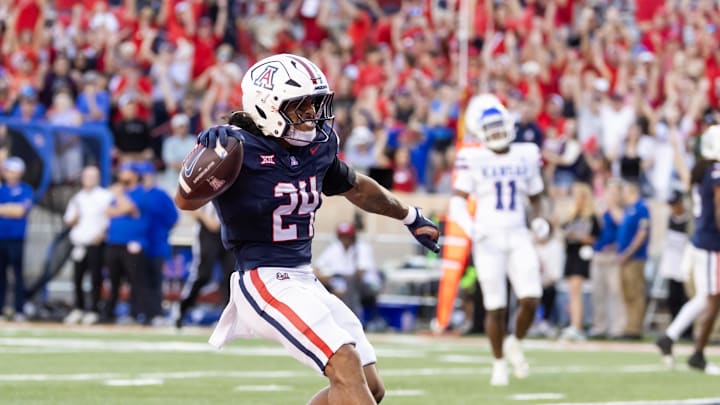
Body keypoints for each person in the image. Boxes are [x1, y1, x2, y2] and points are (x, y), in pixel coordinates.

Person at [173, 54, 440, 405]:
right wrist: (205, 156)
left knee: (370, 386)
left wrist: (409, 216)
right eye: (300, 107)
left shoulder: (317, 147)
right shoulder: (237, 149)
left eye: (315, 104)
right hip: (263, 278)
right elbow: (185, 200)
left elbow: (357, 186)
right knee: (343, 364)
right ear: (268, 108)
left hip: (304, 279)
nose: (312, 116)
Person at [447, 94, 545, 386]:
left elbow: (537, 196)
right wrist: (470, 227)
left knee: (531, 297)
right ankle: (499, 362)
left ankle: (516, 341)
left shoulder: (525, 153)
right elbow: (457, 203)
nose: (498, 133)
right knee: (495, 305)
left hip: (518, 233)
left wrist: (540, 219)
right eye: (491, 129)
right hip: (487, 236)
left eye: (500, 127)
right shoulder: (472, 157)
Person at [657, 126, 720, 374]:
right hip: (711, 243)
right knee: (712, 300)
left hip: (701, 241)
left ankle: (670, 337)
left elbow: (686, 176)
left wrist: (675, 146)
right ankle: (697, 354)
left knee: (707, 298)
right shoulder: (714, 170)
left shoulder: (702, 170)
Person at [63, 166, 114, 325]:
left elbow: (111, 217)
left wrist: (103, 234)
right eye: (87, 176)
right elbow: (69, 220)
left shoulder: (105, 196)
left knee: (95, 278)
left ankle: (94, 310)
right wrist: (74, 219)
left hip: (96, 243)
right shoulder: (78, 197)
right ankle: (78, 308)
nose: (89, 179)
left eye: (92, 176)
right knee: (77, 278)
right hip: (79, 242)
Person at [176, 202, 235, 329]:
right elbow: (186, 203)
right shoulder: (204, 182)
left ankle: (229, 318)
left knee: (231, 275)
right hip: (207, 231)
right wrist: (206, 218)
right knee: (202, 274)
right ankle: (182, 310)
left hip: (229, 229)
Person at [103, 162, 150, 323]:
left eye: (126, 172)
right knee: (113, 281)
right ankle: (108, 314)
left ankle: (137, 313)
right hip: (114, 242)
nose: (122, 175)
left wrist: (119, 197)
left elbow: (128, 208)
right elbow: (108, 211)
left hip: (133, 244)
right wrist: (121, 205)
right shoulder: (120, 193)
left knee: (135, 281)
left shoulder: (141, 192)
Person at [314, 222, 382, 324]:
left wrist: (337, 280)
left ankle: (353, 319)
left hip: (367, 285)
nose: (345, 239)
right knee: (317, 281)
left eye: (347, 237)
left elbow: (360, 273)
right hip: (340, 282)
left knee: (349, 282)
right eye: (342, 236)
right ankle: (327, 320)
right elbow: (318, 266)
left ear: (353, 237)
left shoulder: (362, 248)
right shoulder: (335, 247)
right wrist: (331, 279)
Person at [137, 161, 178, 325]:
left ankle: (156, 313)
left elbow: (173, 217)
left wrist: (162, 231)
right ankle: (142, 313)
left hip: (157, 244)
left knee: (155, 280)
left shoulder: (160, 195)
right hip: (140, 244)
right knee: (140, 280)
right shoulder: (136, 193)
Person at [559, 182, 600, 341]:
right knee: (572, 292)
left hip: (581, 255)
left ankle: (577, 326)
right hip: (571, 254)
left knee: (576, 291)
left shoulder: (591, 216)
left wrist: (579, 236)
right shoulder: (572, 215)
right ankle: (574, 324)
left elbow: (595, 236)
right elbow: (563, 229)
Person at [589, 178, 626, 339]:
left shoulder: (621, 211)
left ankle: (617, 327)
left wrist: (612, 207)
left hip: (613, 257)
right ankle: (599, 326)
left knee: (616, 293)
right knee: (598, 293)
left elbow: (623, 225)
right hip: (598, 254)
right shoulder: (599, 208)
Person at [616, 180, 651, 339]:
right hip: (624, 258)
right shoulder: (628, 209)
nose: (621, 195)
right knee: (627, 293)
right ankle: (629, 326)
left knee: (636, 293)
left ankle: (635, 328)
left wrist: (628, 252)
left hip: (634, 258)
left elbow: (642, 233)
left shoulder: (641, 208)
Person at [0, 157, 33, 321]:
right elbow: (15, 210)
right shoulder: (2, 189)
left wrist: (5, 209)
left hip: (16, 238)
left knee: (17, 275)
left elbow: (20, 211)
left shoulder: (25, 189)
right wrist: (10, 209)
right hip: (1, 237)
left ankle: (19, 309)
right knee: (0, 275)